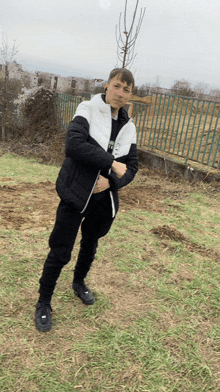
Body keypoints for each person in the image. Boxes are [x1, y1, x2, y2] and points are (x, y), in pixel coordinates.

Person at [35, 68, 139, 332]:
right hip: (76, 191)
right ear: (107, 86)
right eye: (117, 86)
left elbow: (132, 168)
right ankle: (43, 302)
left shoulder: (129, 126)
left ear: (130, 95)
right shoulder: (88, 108)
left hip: (103, 198)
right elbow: (73, 145)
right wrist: (111, 164)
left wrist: (111, 181)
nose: (120, 93)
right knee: (60, 250)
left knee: (90, 244)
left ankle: (79, 283)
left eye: (126, 90)